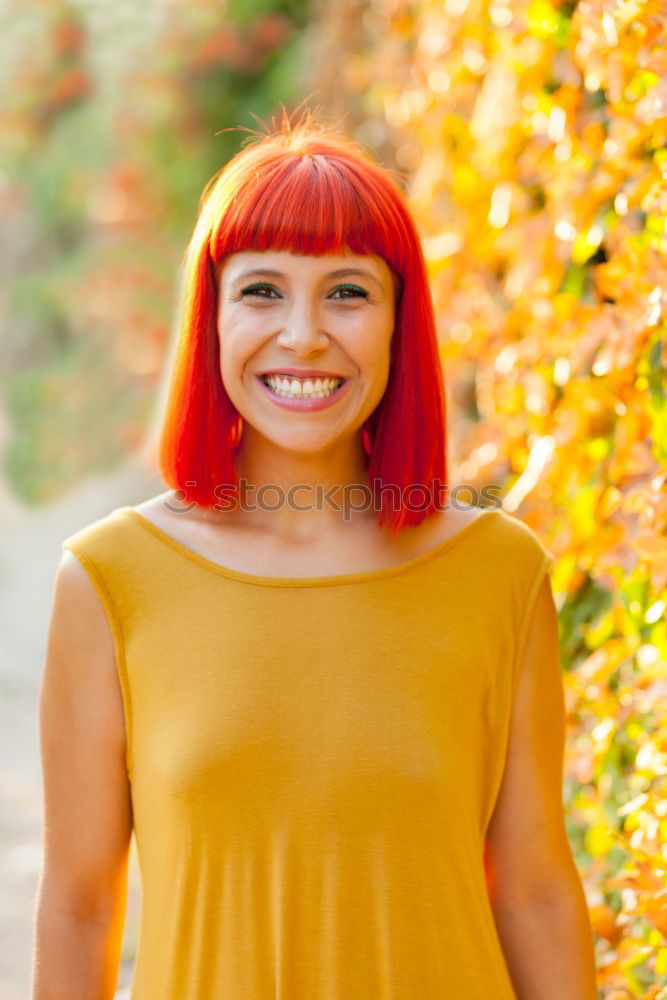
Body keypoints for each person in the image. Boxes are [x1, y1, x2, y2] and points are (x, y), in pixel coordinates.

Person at [32, 110, 598, 999]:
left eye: (347, 291)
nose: (302, 335)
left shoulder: (498, 572)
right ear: (210, 314)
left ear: (397, 323)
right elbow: (78, 908)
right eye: (261, 290)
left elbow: (531, 894)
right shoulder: (111, 580)